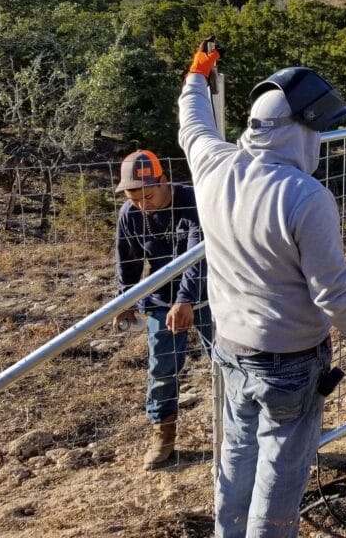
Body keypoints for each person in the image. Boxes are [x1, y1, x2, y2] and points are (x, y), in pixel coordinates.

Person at [178, 42, 346, 538]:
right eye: (314, 129)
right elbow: (333, 296)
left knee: (236, 456)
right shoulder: (305, 196)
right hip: (291, 361)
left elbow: (193, 119)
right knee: (279, 474)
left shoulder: (213, 165)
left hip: (230, 349)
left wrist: (197, 74)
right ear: (298, 131)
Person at [112, 148, 214, 468]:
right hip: (160, 300)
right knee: (162, 369)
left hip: (210, 294)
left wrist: (186, 300)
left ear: (163, 180)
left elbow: (200, 256)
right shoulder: (130, 213)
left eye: (148, 195)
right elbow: (127, 262)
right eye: (133, 197)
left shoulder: (194, 201)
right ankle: (163, 435)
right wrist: (125, 302)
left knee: (227, 361)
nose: (142, 204)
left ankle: (242, 425)